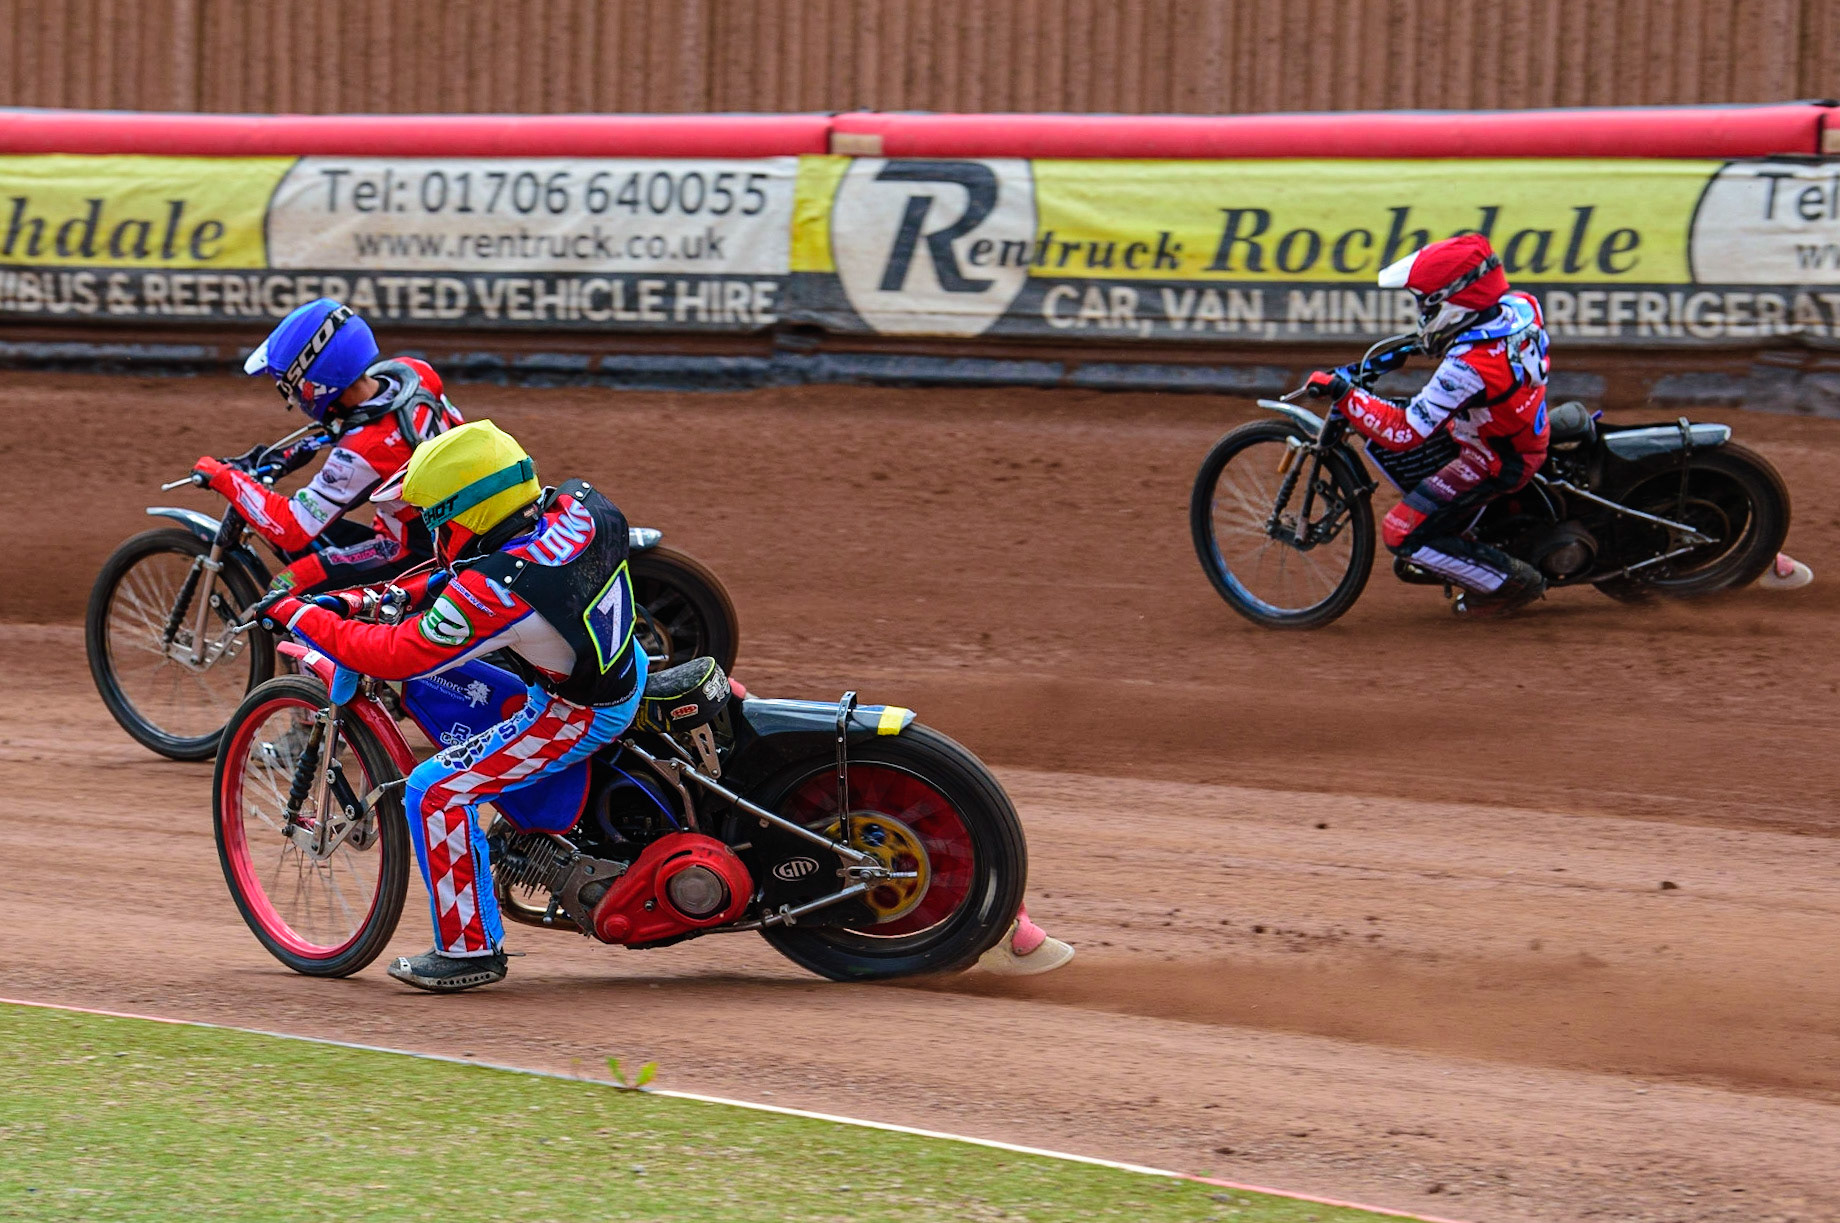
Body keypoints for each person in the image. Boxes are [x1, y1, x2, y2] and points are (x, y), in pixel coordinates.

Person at [261, 420, 647, 991]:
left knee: (434, 790)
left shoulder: (499, 590)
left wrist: (299, 613)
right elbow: (465, 575)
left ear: (467, 516)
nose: (430, 531)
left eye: (434, 518)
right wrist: (384, 594)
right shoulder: (579, 505)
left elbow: (392, 655)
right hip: (622, 660)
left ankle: (470, 951)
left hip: (580, 711)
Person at [1304, 233, 1552, 616]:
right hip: (1514, 424)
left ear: (1451, 302)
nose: (1420, 312)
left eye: (1425, 303)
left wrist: (1343, 392)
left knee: (1400, 531)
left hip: (1494, 459)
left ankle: (1510, 583)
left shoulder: (1469, 367)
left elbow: (1405, 432)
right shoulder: (1519, 306)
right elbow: (1468, 333)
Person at [190, 298, 461, 598]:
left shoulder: (363, 449)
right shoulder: (414, 373)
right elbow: (378, 426)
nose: (293, 397)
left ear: (311, 383)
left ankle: (307, 644)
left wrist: (224, 477)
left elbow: (292, 528)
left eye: (291, 388)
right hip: (452, 526)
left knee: (284, 591)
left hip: (415, 552)